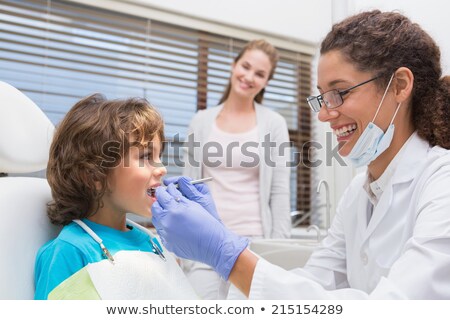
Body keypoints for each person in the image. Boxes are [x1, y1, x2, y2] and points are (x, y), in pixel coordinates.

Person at [151, 10, 450, 299]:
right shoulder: (357, 195)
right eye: (322, 97)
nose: (324, 115)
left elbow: (397, 306)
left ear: (399, 85)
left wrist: (226, 253)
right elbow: (311, 285)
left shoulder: (441, 182)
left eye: (340, 92)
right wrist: (219, 250)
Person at [34, 94, 198, 299]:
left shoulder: (151, 242)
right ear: (94, 175)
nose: (162, 169)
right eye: (146, 156)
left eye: (159, 156)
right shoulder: (70, 252)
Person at [177, 39, 291, 299]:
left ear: (266, 82)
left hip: (254, 245)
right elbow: (188, 186)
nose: (249, 76)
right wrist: (181, 249)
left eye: (260, 74)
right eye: (246, 66)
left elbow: (280, 190)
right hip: (206, 240)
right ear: (233, 65)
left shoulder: (274, 123)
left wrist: (278, 248)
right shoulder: (201, 121)